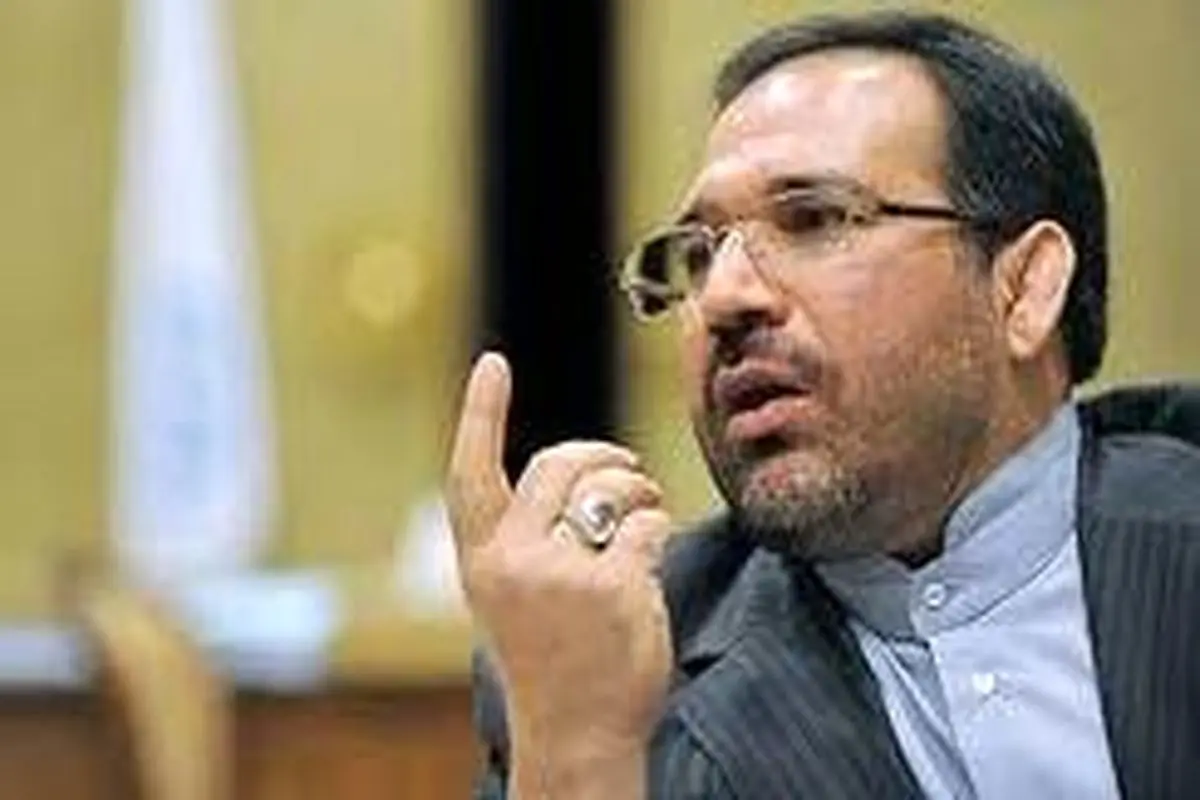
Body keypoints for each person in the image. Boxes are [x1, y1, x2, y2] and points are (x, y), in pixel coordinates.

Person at [445, 10, 1200, 799]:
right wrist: (581, 752)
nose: (722, 298)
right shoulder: (604, 671)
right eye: (698, 255)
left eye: (815, 219)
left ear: (1025, 288)